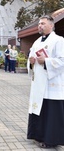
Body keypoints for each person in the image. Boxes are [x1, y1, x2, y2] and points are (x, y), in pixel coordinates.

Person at [27, 15, 64, 148]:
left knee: (50, 112)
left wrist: (46, 61)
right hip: (38, 83)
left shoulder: (59, 40)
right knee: (39, 110)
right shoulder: (37, 42)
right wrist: (30, 62)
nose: (40, 26)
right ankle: (38, 135)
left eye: (43, 23)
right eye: (39, 24)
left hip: (51, 84)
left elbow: (62, 61)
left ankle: (51, 140)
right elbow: (31, 57)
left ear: (51, 25)